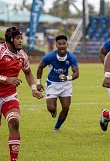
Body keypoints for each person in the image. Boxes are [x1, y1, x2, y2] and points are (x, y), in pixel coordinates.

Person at [0, 26, 43, 160]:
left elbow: (28, 73)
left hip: (9, 96)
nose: (20, 41)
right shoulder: (1, 51)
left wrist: (34, 89)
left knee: (14, 122)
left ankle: (14, 159)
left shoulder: (22, 55)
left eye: (21, 38)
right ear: (10, 39)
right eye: (18, 38)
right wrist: (6, 79)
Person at [36, 35, 79, 131]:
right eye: (59, 44)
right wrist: (38, 83)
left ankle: (57, 127)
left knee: (66, 107)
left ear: (67, 44)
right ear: (56, 45)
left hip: (65, 85)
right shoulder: (50, 56)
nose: (62, 46)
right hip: (52, 84)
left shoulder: (72, 57)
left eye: (64, 44)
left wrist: (67, 78)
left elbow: (76, 73)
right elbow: (40, 67)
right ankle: (53, 111)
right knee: (51, 108)